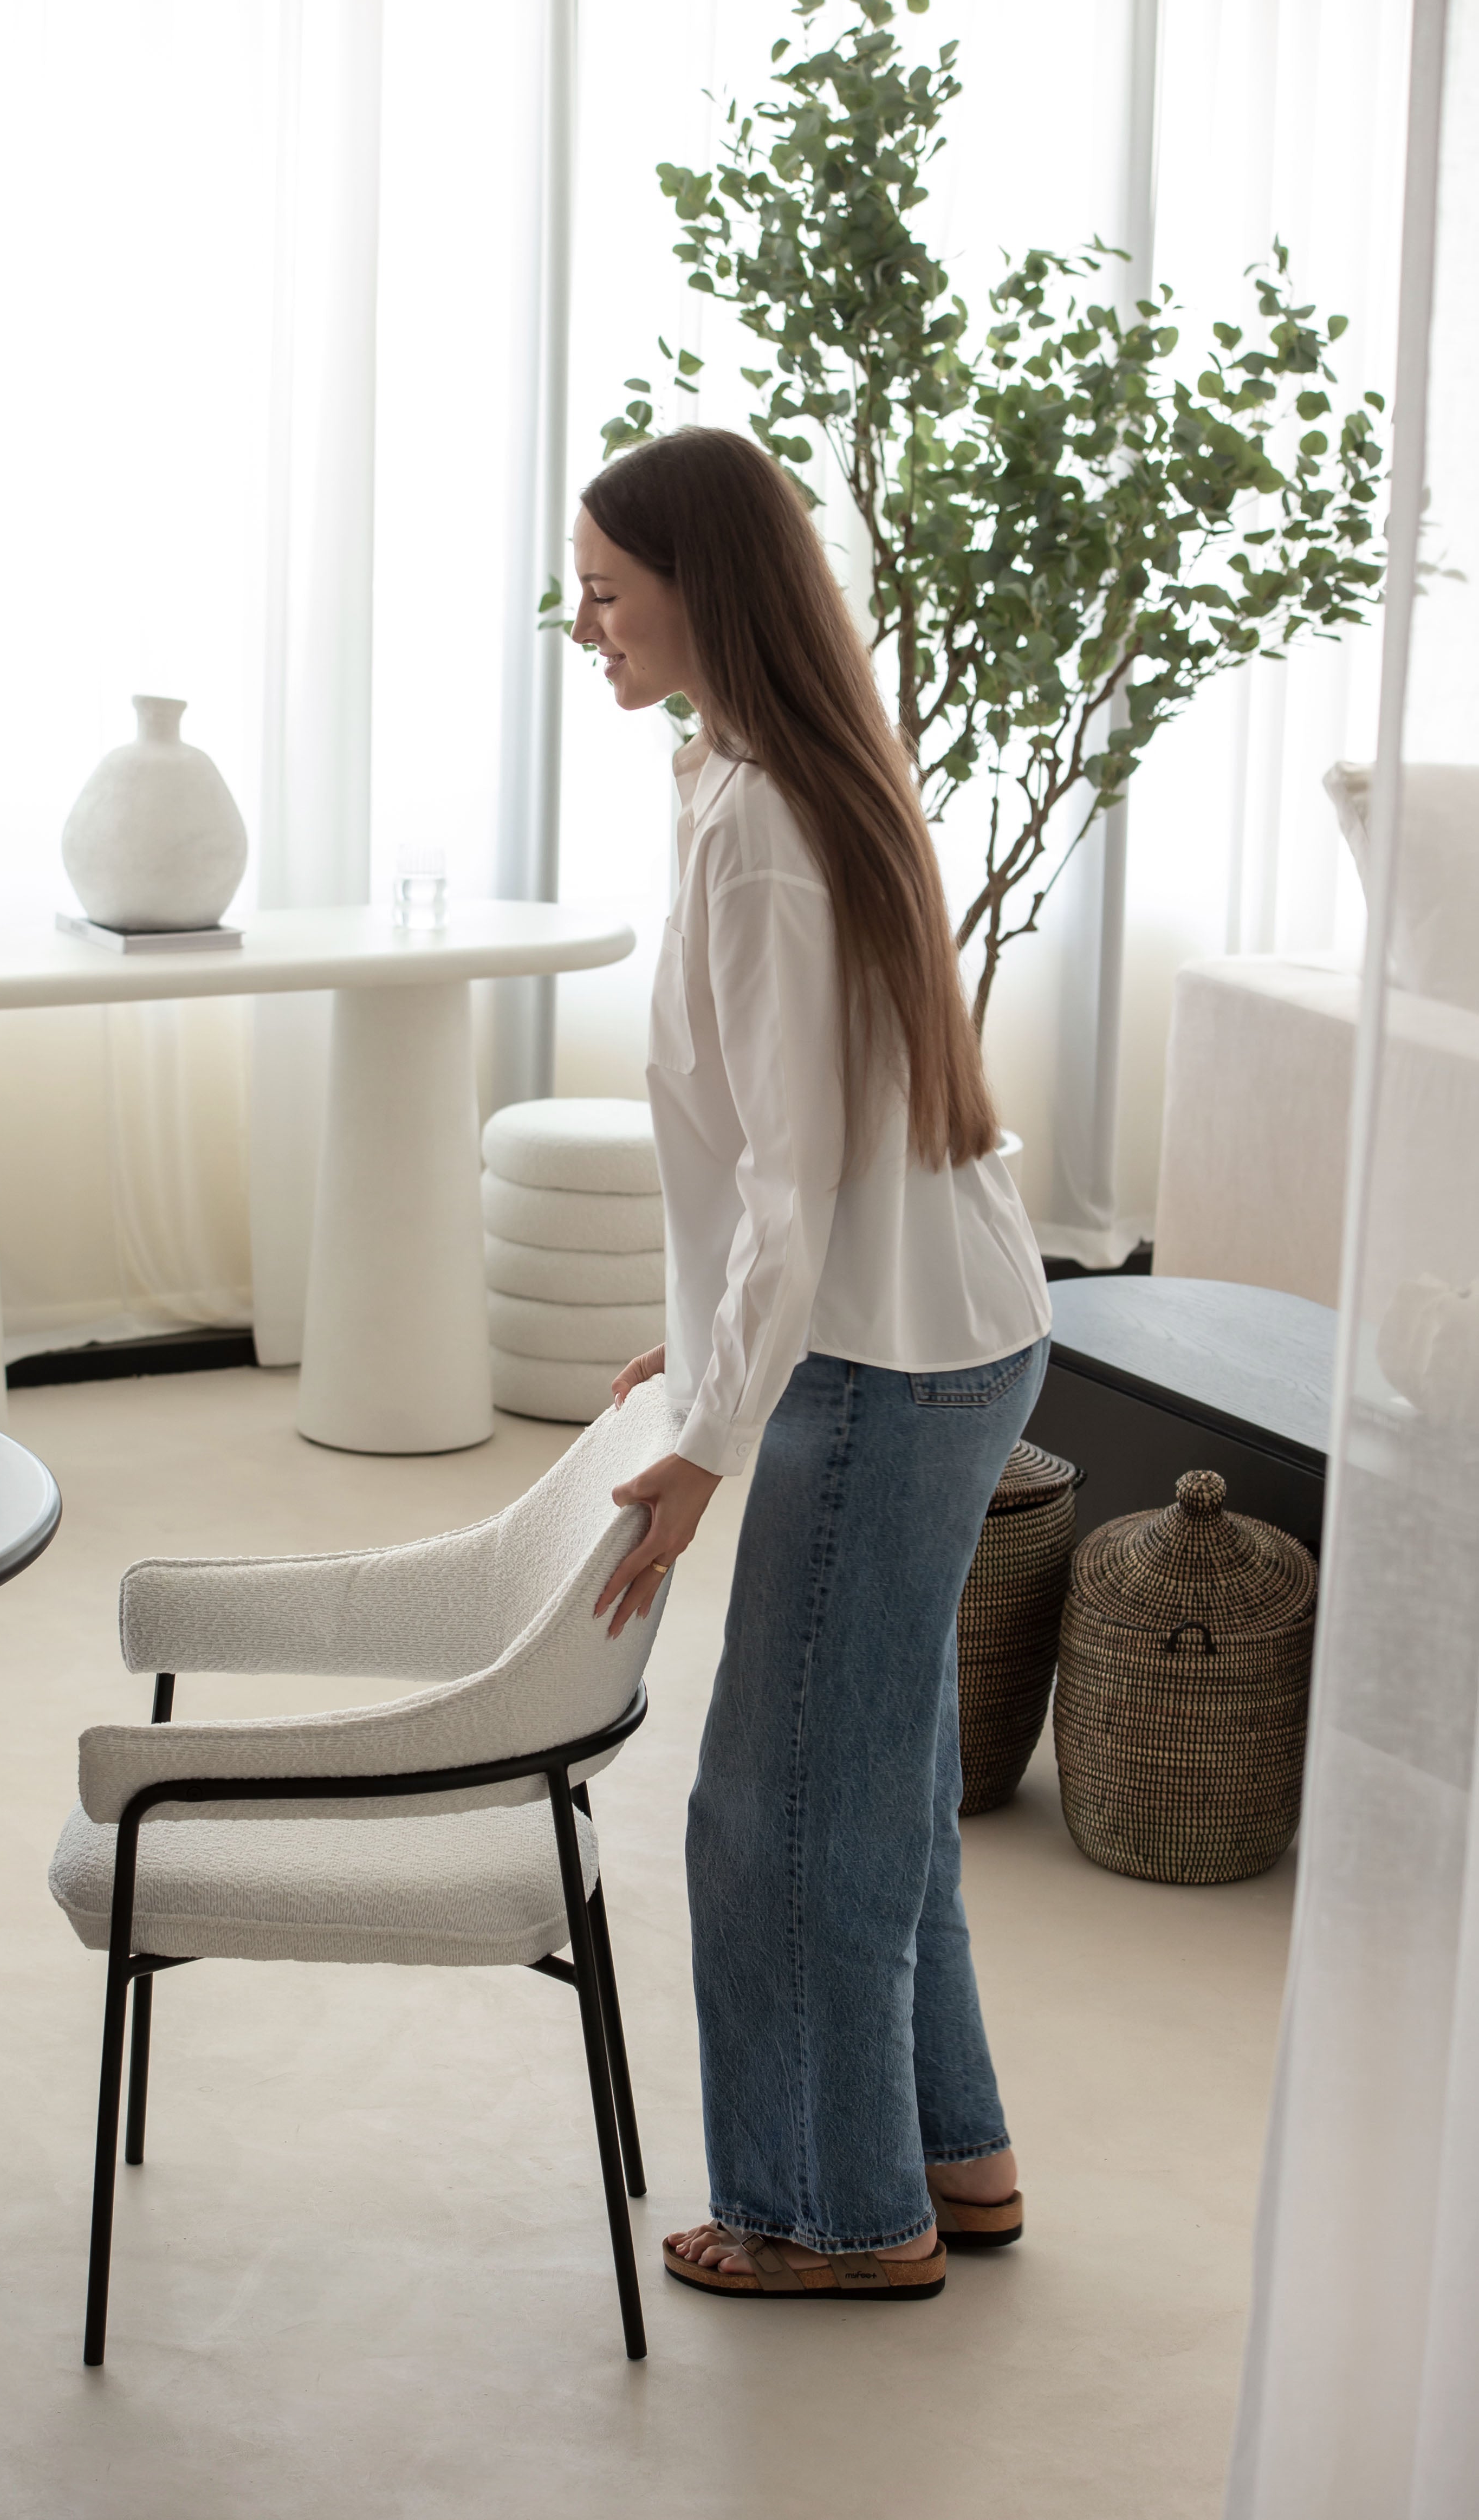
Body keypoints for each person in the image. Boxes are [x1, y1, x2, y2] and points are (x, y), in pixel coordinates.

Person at [579, 427, 1053, 2303]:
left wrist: (711, 1436)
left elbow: (798, 1177)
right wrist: (706, 1347)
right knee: (879, 1795)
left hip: (880, 1365)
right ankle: (952, 2158)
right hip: (943, 1330)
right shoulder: (754, 774)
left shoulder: (762, 824)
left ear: (702, 588)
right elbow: (775, 1157)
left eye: (608, 592)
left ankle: (834, 2217)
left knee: (775, 1817)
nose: (586, 624)